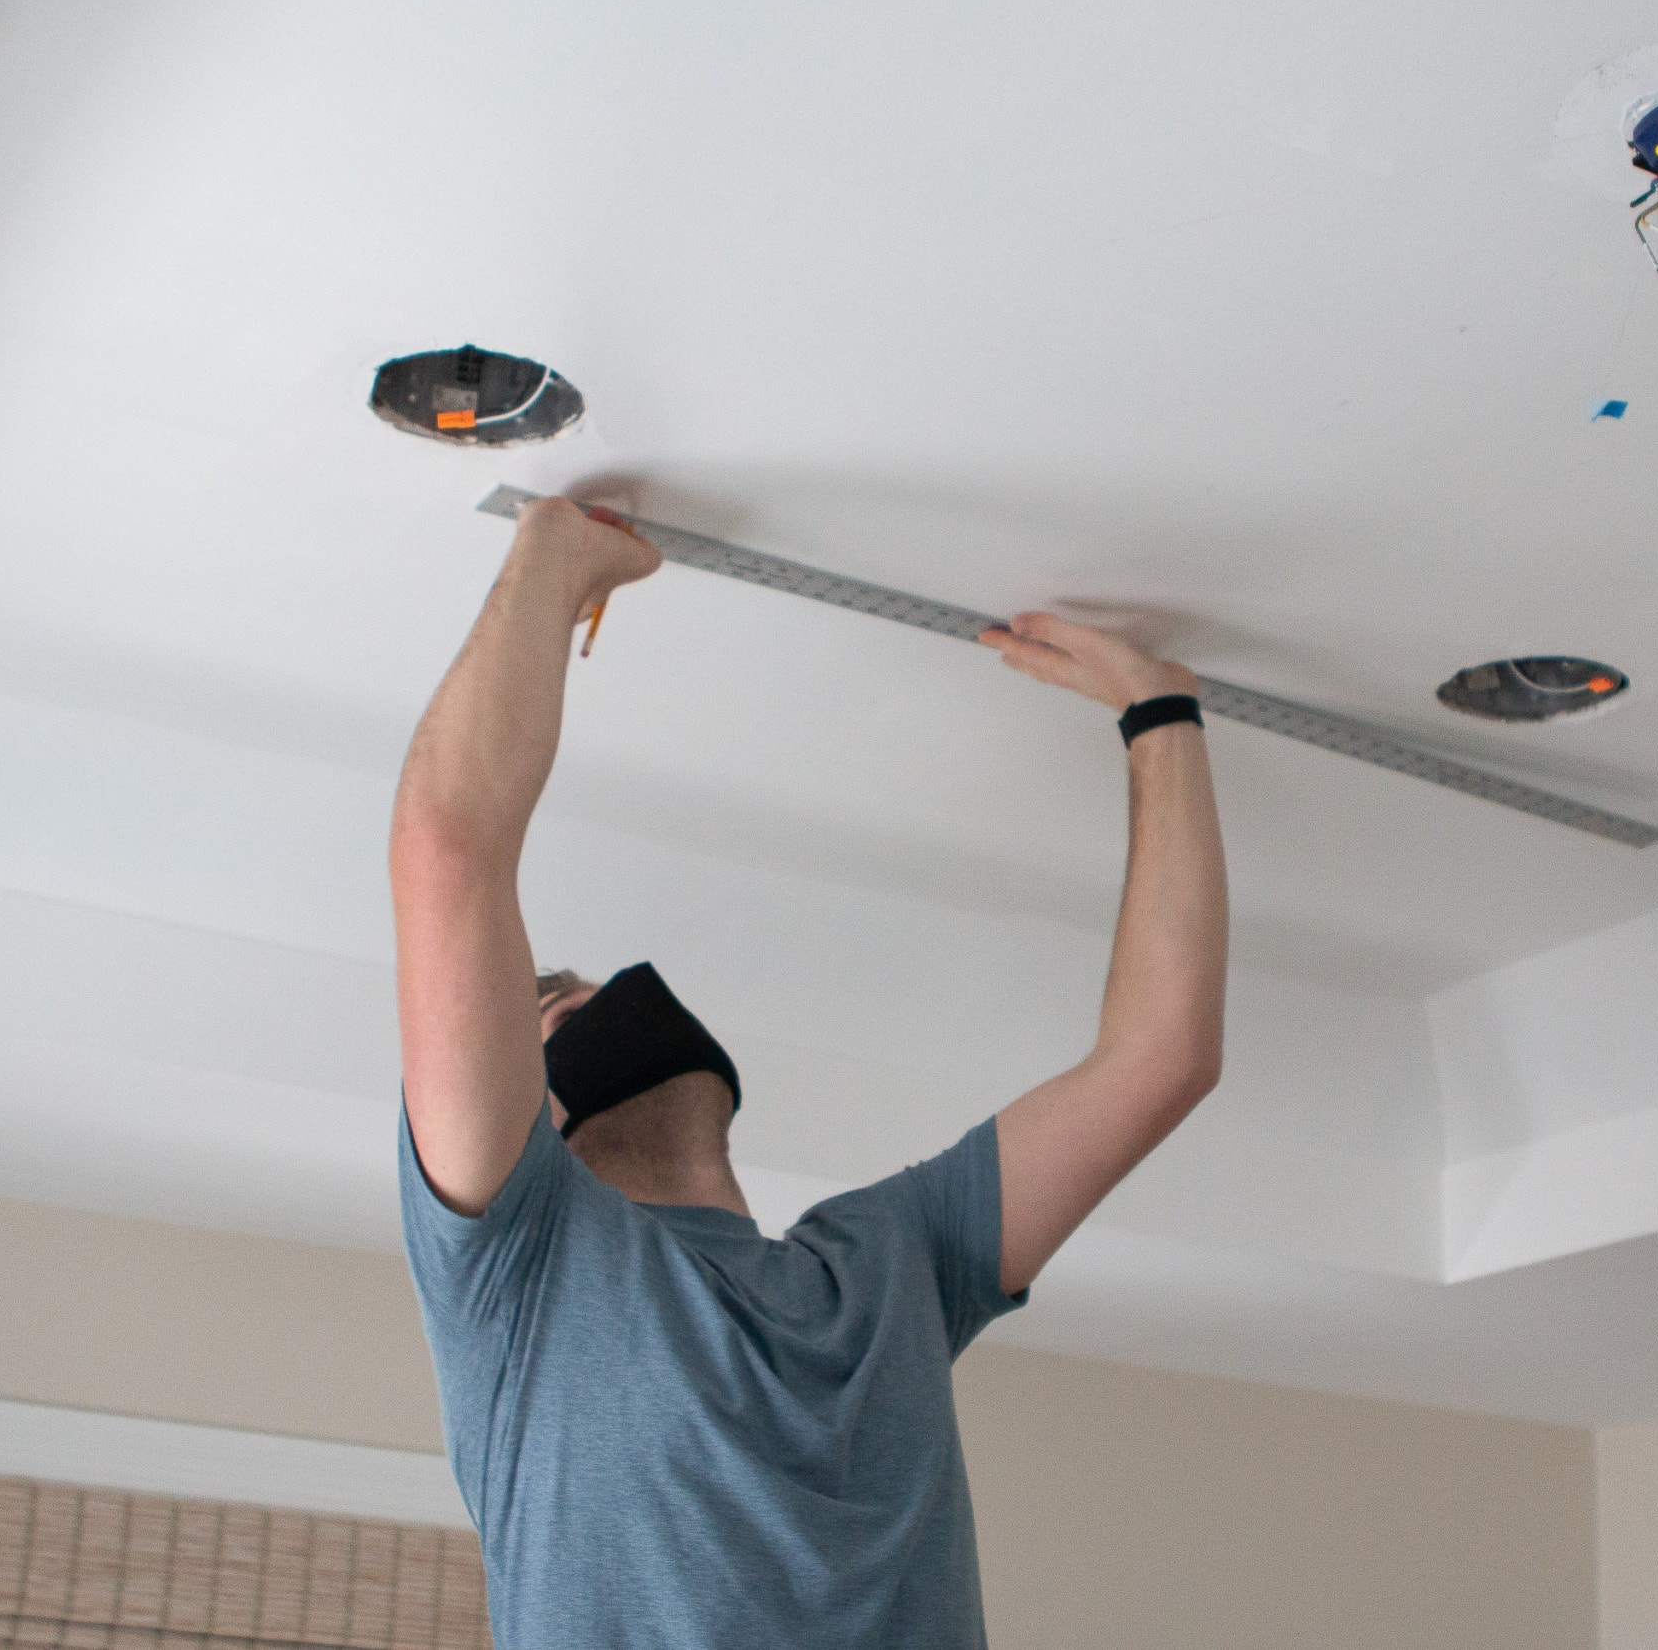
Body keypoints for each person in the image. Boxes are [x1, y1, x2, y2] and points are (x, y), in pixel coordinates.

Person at [390, 495, 1228, 1649]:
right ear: (529, 1105)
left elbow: (1158, 1058)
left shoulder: (888, 1269)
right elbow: (449, 848)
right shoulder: (516, 1269)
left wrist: (1160, 711)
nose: (591, 999)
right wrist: (550, 560)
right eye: (553, 1008)